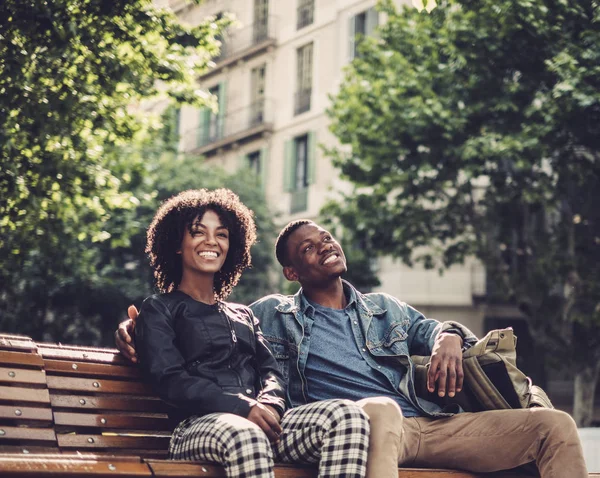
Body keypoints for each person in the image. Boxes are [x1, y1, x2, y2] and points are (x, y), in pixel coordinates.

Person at [119, 218, 588, 478]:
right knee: (380, 410)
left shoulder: (385, 309)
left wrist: (449, 335)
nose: (323, 246)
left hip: (436, 425)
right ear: (292, 273)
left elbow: (435, 329)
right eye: (307, 249)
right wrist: (133, 331)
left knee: (555, 426)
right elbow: (202, 324)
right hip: (372, 429)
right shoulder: (273, 314)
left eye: (326, 237)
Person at [134, 192, 371, 478]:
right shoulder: (159, 309)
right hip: (196, 428)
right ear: (176, 245)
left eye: (221, 234)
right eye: (198, 232)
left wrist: (269, 404)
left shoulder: (242, 314)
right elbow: (170, 379)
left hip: (259, 423)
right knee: (246, 435)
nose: (211, 241)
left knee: (348, 416)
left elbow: (271, 371)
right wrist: (242, 407)